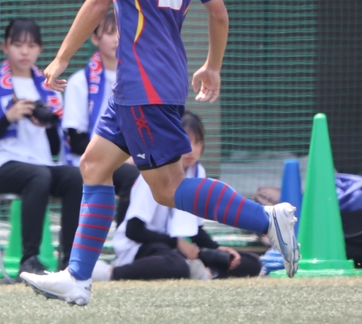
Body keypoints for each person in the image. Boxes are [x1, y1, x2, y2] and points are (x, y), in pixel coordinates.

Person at [21, 0, 298, 305]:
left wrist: (62, 56)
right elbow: (220, 14)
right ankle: (78, 278)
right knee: (94, 164)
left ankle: (268, 219)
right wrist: (212, 66)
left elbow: (99, 0)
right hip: (152, 80)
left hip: (142, 85)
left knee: (168, 189)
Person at [0, 18, 81, 276]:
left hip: (40, 165)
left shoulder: (49, 90)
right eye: (17, 44)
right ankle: (29, 259)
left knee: (75, 177)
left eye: (31, 46)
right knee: (37, 176)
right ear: (4, 46)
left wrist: (50, 124)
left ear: (40, 50)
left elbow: (55, 149)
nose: (24, 51)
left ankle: (70, 260)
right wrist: (9, 117)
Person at [107, 112, 261, 281]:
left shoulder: (197, 173)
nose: (192, 150)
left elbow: (195, 231)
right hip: (143, 246)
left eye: (198, 142)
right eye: (186, 141)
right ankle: (113, 274)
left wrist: (217, 249)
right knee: (176, 264)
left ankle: (206, 273)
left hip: (175, 249)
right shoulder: (153, 172)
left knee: (251, 262)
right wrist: (177, 243)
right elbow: (134, 231)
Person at [61, 10, 140, 227]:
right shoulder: (80, 82)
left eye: (123, 32)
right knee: (134, 177)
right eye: (110, 32)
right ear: (95, 38)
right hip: (90, 161)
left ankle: (149, 248)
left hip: (132, 158)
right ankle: (125, 244)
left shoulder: (139, 81)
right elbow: (76, 141)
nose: (117, 39)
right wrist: (121, 157)